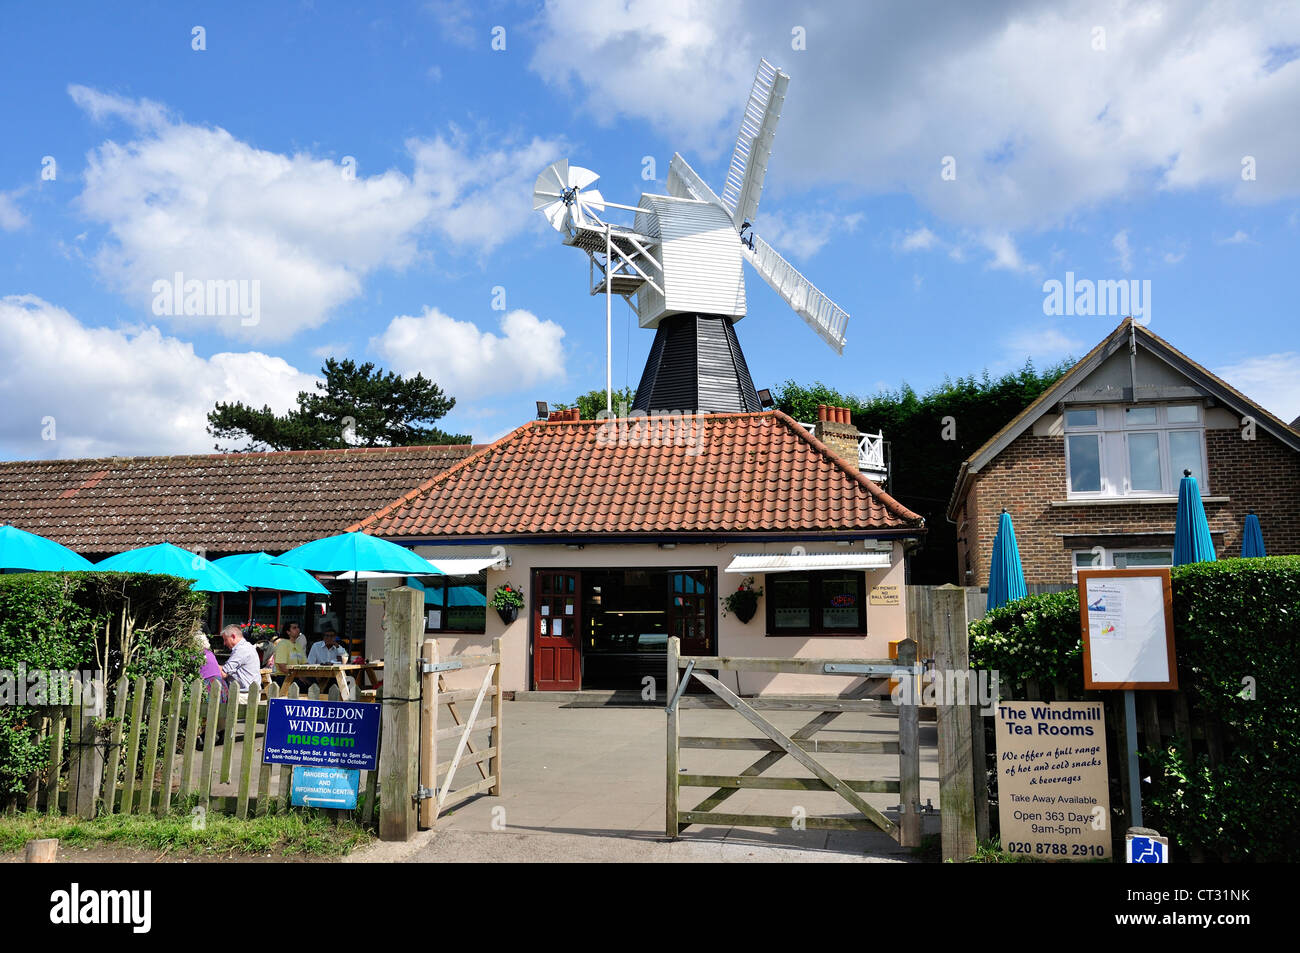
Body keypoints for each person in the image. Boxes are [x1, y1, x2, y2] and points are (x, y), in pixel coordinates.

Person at [219, 623, 261, 702]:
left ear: (233, 636)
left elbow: (223, 673)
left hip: (244, 695)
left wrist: (210, 661)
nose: (224, 643)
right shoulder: (245, 647)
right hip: (248, 693)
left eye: (225, 639)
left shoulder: (242, 650)